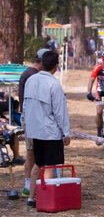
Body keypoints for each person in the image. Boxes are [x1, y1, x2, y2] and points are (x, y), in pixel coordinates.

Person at [23, 50, 71, 208]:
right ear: (56, 66)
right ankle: (48, 200)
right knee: (50, 166)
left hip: (34, 130)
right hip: (50, 132)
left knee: (38, 164)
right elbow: (60, 112)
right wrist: (66, 132)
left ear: (42, 63)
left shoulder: (31, 80)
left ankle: (31, 197)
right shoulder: (54, 84)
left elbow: (25, 105)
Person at [18, 48, 49, 198]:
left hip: (31, 118)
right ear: (42, 61)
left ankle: (29, 185)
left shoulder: (29, 73)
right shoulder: (32, 75)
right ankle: (28, 187)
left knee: (32, 153)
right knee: (31, 154)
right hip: (32, 119)